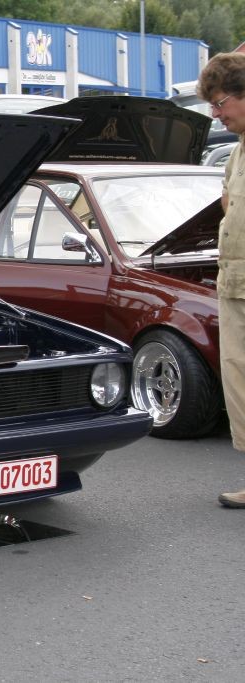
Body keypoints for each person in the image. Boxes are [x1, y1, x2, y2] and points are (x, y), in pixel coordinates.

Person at [198, 52, 245, 508]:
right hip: (234, 283)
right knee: (239, 382)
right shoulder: (236, 152)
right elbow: (228, 203)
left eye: (220, 102)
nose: (215, 114)